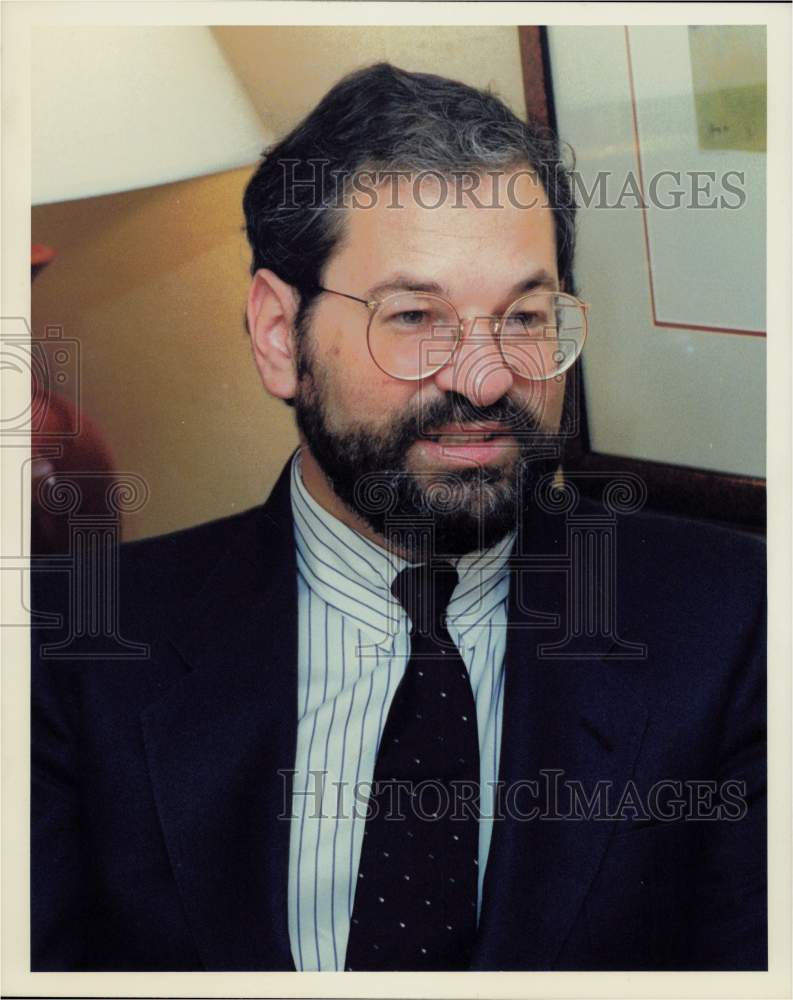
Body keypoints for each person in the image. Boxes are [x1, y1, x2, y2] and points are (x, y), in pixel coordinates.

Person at [31, 62, 766, 973]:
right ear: (277, 336)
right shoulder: (70, 647)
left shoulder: (735, 625)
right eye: (416, 315)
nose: (487, 378)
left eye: (527, 317)